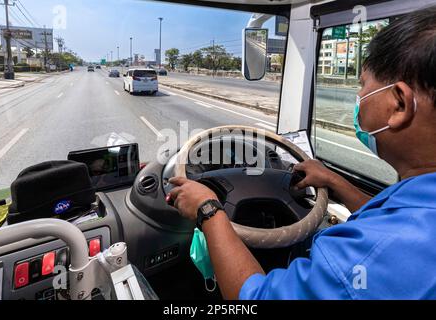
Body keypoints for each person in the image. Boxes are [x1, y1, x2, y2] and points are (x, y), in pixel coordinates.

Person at [168, 7, 436, 299]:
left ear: (399, 105)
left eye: (362, 85)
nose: (358, 98)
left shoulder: (363, 259)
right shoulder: (416, 209)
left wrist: (209, 209)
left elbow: (254, 298)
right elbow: (388, 215)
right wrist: (333, 181)